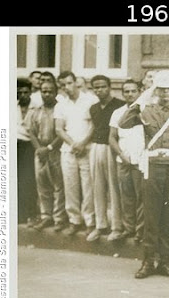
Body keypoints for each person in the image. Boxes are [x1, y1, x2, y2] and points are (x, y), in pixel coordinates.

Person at [118, 70, 169, 279]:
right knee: (151, 215)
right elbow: (123, 123)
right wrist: (141, 100)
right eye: (161, 89)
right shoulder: (146, 110)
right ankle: (147, 262)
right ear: (155, 90)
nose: (165, 93)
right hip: (152, 167)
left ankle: (165, 262)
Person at [54, 71, 98, 237]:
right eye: (63, 85)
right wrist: (73, 144)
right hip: (69, 150)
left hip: (87, 149)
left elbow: (94, 125)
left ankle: (90, 221)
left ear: (75, 82)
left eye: (69, 83)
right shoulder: (61, 105)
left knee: (88, 186)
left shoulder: (90, 100)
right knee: (70, 186)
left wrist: (83, 143)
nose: (67, 87)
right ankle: (74, 220)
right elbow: (59, 129)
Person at [25, 80, 68, 232]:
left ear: (56, 92)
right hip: (40, 152)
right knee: (42, 185)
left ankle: (59, 218)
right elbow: (31, 132)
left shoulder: (61, 109)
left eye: (50, 91)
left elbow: (63, 131)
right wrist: (39, 149)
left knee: (58, 185)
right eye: (44, 91)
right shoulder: (36, 111)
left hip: (56, 150)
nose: (47, 94)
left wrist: (49, 148)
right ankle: (46, 216)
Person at [87, 74, 126, 242]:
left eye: (103, 86)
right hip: (96, 147)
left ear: (109, 87)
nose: (100, 90)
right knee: (97, 187)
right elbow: (94, 128)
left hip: (112, 148)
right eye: (96, 87)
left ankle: (117, 227)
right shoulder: (94, 108)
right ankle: (100, 225)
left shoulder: (120, 105)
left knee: (114, 187)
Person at [109, 79, 145, 243]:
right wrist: (121, 155)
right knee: (126, 195)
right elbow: (112, 138)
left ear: (140, 91)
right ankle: (129, 228)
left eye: (133, 91)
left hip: (141, 161)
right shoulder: (118, 113)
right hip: (123, 160)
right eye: (126, 91)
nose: (130, 94)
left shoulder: (145, 111)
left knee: (141, 196)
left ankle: (140, 231)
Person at [17, 77, 39, 226]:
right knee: (16, 179)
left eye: (26, 92)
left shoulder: (36, 107)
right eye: (20, 92)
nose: (23, 95)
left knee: (29, 179)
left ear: (31, 92)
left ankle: (31, 213)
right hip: (15, 144)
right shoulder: (12, 106)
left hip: (30, 145)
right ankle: (20, 214)